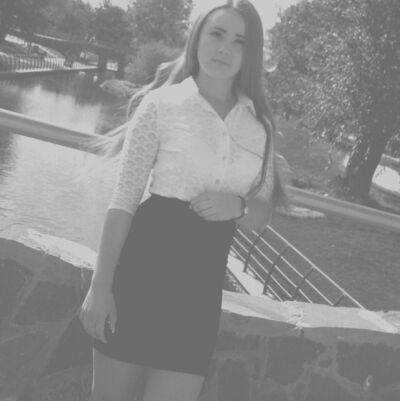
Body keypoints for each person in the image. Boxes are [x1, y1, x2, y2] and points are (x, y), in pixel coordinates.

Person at [79, 1, 287, 400]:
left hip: (198, 297)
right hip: (139, 278)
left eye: (240, 41)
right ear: (197, 37)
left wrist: (239, 206)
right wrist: (100, 287)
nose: (225, 48)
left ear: (251, 53)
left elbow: (262, 212)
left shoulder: (260, 126)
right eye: (217, 34)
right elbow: (124, 199)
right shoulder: (162, 105)